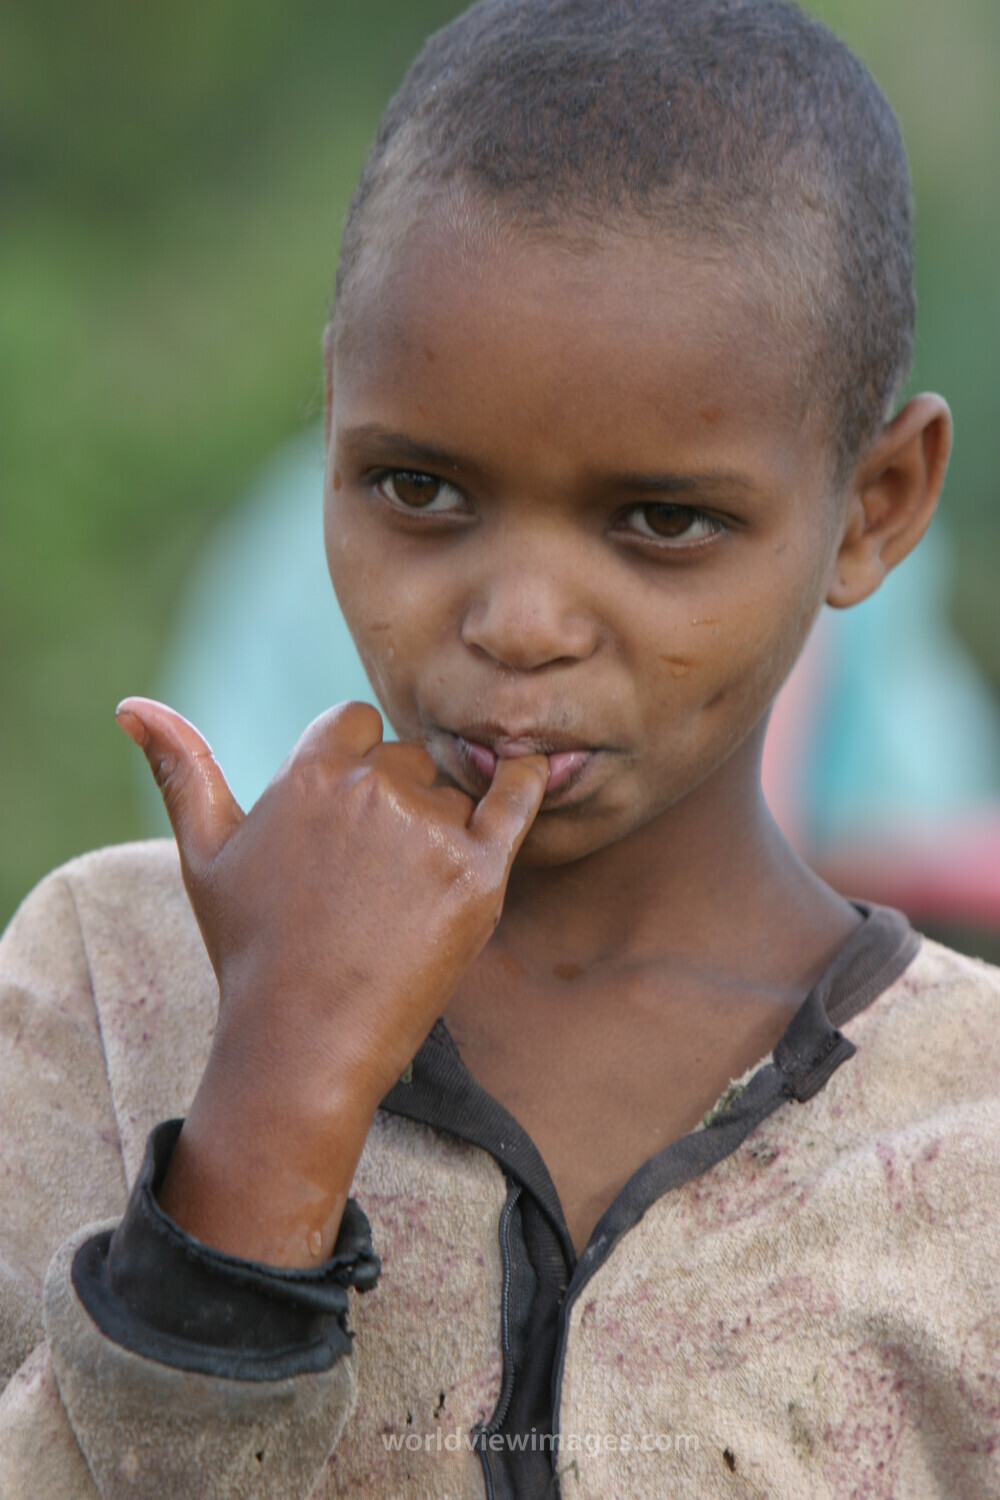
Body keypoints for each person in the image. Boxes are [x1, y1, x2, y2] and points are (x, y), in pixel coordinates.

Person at [1, 0, 998, 1495]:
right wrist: (267, 1109)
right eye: (418, 487)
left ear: (875, 507)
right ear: (331, 415)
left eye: (663, 521)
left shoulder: (964, 1141)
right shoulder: (109, 982)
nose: (521, 623)